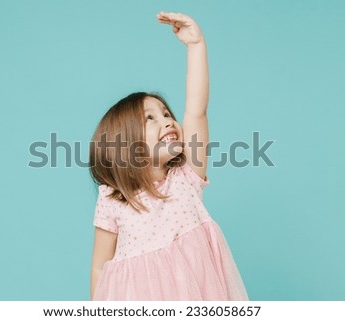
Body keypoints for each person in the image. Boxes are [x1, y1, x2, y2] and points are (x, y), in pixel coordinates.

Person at [89, 11, 248, 300]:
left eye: (165, 113)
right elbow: (100, 267)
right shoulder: (112, 199)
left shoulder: (186, 176)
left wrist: (196, 46)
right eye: (150, 118)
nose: (167, 121)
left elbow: (196, 109)